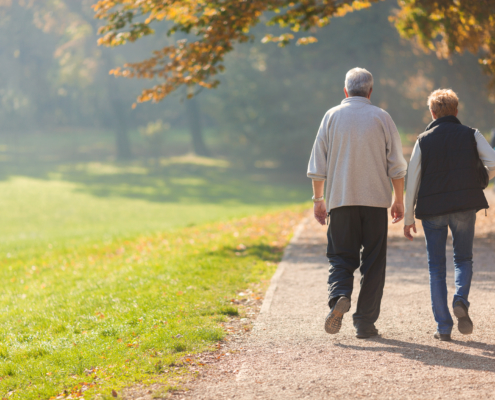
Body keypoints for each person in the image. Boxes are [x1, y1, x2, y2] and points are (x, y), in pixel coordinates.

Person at [307, 67, 407, 339]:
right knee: (374, 263)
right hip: (375, 204)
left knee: (341, 256)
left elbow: (318, 165)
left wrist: (319, 200)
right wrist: (399, 200)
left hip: (341, 202)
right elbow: (397, 166)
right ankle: (364, 323)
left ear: (345, 91)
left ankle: (339, 296)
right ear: (370, 91)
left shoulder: (331, 116)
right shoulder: (382, 117)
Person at [404, 89, 495, 341]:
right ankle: (461, 300)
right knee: (463, 259)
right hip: (465, 206)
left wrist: (409, 218)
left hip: (432, 210)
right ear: (456, 111)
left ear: (432, 113)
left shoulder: (423, 140)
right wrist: (480, 181)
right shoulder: (471, 134)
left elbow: (412, 179)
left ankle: (443, 327)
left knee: (436, 267)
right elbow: (493, 161)